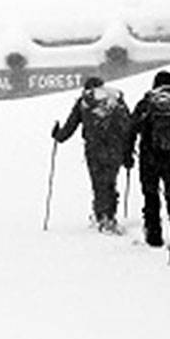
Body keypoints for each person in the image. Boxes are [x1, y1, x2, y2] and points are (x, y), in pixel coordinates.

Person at [52, 75, 131, 234]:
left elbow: (70, 127)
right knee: (110, 182)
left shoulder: (84, 102)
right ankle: (110, 215)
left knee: (98, 183)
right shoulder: (115, 100)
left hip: (94, 149)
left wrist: (57, 135)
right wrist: (128, 151)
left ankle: (101, 215)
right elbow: (128, 125)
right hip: (115, 149)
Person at [126, 69, 170, 249]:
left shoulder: (146, 103)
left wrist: (127, 154)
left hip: (149, 158)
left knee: (150, 196)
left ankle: (153, 233)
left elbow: (131, 128)